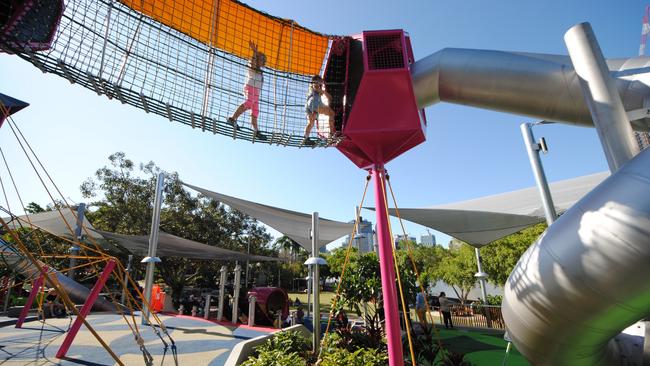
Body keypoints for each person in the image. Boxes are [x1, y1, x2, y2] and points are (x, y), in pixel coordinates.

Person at [228, 41, 267, 140]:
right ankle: (232, 118)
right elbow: (253, 63)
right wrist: (254, 52)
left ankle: (256, 131)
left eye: (264, 60)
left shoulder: (261, 73)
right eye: (262, 59)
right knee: (249, 103)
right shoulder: (252, 67)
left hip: (256, 92)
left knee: (255, 110)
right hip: (250, 88)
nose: (264, 62)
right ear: (257, 60)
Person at [303, 75, 337, 145]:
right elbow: (328, 96)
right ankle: (331, 135)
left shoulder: (312, 89)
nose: (322, 82)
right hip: (315, 103)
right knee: (331, 113)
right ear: (317, 80)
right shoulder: (316, 85)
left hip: (309, 105)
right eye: (321, 81)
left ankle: (305, 138)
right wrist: (324, 92)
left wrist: (324, 93)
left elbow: (329, 97)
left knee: (311, 123)